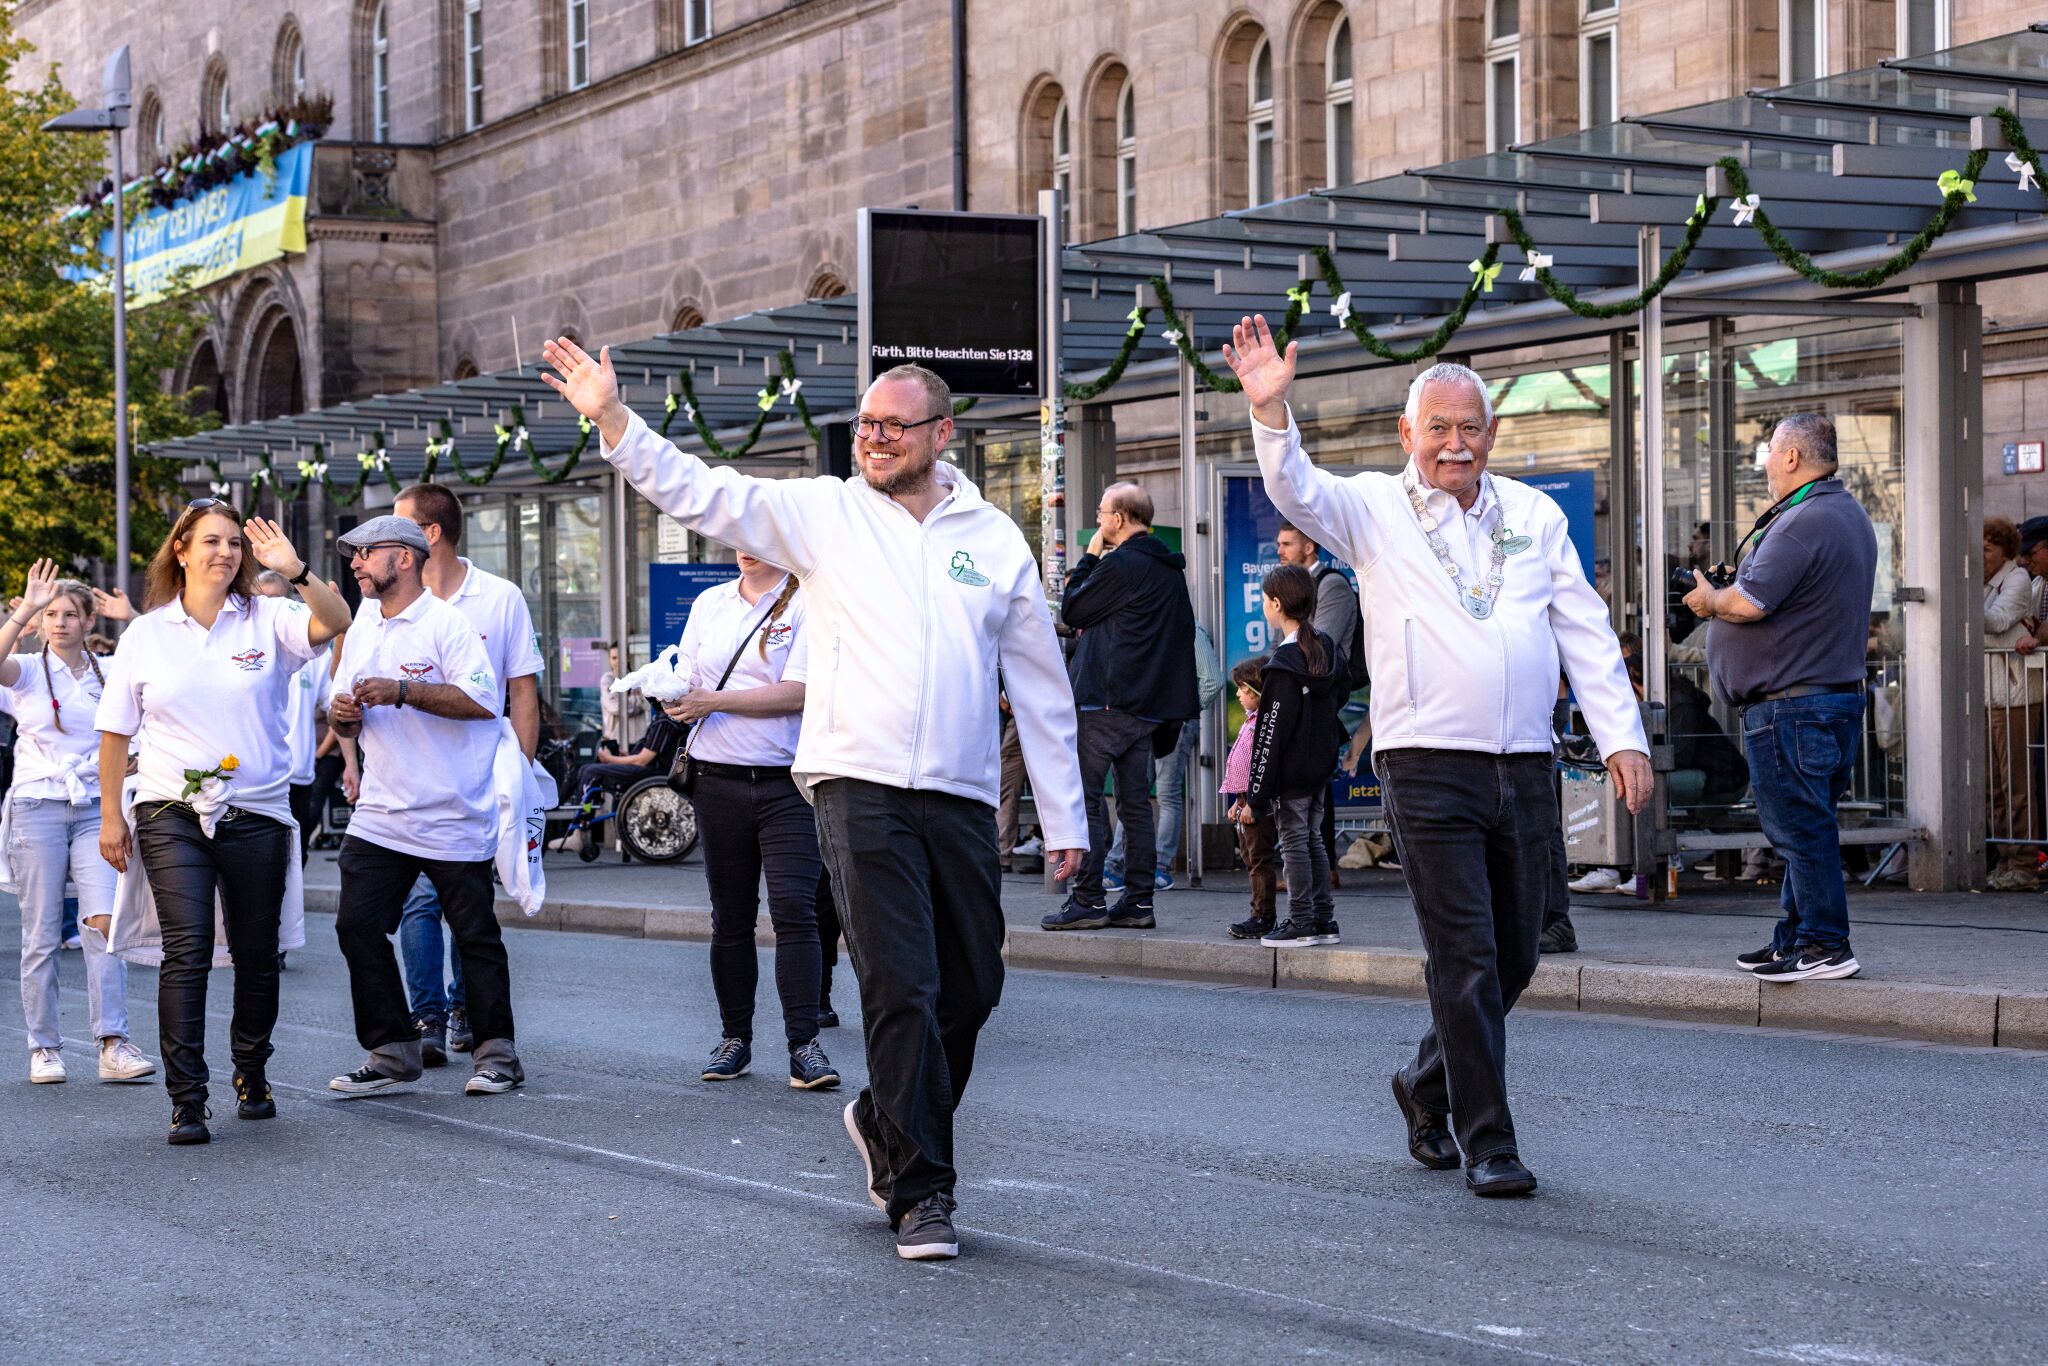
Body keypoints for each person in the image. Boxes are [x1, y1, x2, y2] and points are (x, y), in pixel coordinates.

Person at [548, 338, 1085, 1262]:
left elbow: (1040, 683)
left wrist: (1067, 816)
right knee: (901, 984)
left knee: (972, 986)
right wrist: (614, 418)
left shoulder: (994, 539)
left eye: (893, 425)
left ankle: (883, 1118)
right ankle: (922, 1192)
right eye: (866, 424)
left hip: (958, 791)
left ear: (942, 433)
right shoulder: (826, 515)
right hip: (853, 783)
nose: (873, 437)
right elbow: (704, 492)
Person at [1224, 320, 1650, 1198]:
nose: (1456, 444)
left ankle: (1424, 1082)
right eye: (1438, 428)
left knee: (1518, 951)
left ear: (1491, 433)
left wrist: (1622, 736)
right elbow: (1295, 486)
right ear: (1406, 433)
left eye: (1470, 428)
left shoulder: (1532, 514)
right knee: (1465, 955)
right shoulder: (1374, 509)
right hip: (1425, 765)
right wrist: (1270, 409)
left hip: (1523, 763)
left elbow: (1583, 627)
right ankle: (1488, 1140)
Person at [96, 504, 352, 1145]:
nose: (226, 552)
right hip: (168, 808)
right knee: (187, 950)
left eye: (235, 542)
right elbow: (115, 733)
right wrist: (109, 817)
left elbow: (338, 620)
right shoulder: (146, 634)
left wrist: (296, 570)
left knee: (256, 952)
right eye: (211, 541)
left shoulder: (270, 616)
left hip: (257, 808)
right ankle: (186, 1099)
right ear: (181, 550)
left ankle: (251, 1070)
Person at [323, 516, 524, 1097]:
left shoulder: (447, 623)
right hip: (381, 813)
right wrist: (344, 717)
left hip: (451, 811)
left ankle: (497, 1054)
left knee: (474, 936)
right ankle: (392, 1049)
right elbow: (343, 714)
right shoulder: (362, 623)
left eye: (365, 553)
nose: (356, 563)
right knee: (356, 926)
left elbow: (484, 700)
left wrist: (403, 690)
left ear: (405, 558)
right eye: (354, 554)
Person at [1684, 412, 1877, 981]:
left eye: (1769, 451)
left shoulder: (1802, 521)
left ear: (1791, 457)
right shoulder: (1843, 513)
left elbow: (1749, 604)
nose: (1765, 461)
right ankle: (1793, 939)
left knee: (1800, 829)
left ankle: (1824, 944)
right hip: (1822, 701)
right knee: (1806, 824)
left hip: (1793, 706)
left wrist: (1710, 600)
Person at [658, 550, 839, 1091]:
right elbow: (686, 676)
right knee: (730, 918)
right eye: (736, 536)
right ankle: (734, 1039)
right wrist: (670, 693)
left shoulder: (805, 601)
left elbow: (799, 692)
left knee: (795, 912)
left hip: (788, 784)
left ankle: (804, 1046)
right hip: (716, 781)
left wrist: (713, 701)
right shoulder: (710, 602)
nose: (744, 545)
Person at [385, 482, 545, 1065]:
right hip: (410, 782)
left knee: (468, 903)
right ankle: (426, 1015)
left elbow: (522, 690)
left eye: (398, 525)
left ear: (429, 534)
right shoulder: (390, 599)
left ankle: (462, 1008)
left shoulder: (499, 598)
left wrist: (521, 773)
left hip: (478, 779)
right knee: (419, 900)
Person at [1, 562, 154, 1086]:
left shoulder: (108, 670)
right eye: (51, 615)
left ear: (89, 621)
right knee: (42, 933)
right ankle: (44, 1047)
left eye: (70, 614)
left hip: (95, 806)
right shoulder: (25, 669)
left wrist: (132, 617)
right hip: (37, 805)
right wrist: (24, 608)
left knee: (104, 925)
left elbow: (162, 666)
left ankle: (113, 1042)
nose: (60, 622)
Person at [1042, 481, 1197, 932]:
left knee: (1087, 799)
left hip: (1105, 701)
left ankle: (1088, 899)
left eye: (1101, 512)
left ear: (1119, 518)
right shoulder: (1168, 570)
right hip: (1146, 708)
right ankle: (1138, 901)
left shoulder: (1121, 564)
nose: (1098, 519)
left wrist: (1090, 556)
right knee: (1135, 805)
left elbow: (1073, 608)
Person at [1244, 566, 1348, 947]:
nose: (1264, 606)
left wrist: (1255, 796)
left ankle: (1301, 920)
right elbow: (1341, 696)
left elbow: (1270, 735)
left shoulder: (1284, 664)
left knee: (1293, 844)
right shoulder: (1326, 649)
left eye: (1264, 600)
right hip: (1320, 766)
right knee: (1313, 839)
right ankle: (1323, 919)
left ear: (1276, 604)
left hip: (1292, 773)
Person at [1105, 622, 1225, 893]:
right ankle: (1132, 865)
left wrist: (1183, 710)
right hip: (1154, 718)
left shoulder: (1187, 629)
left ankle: (1148, 865)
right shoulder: (1167, 628)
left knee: (1156, 793)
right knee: (1139, 793)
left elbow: (1212, 681)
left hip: (1166, 720)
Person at [1277, 521, 1363, 884]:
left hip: (1324, 696)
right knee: (1308, 781)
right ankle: (1313, 868)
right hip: (1303, 693)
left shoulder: (1331, 585)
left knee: (1315, 782)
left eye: (1286, 543)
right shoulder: (1296, 586)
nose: (1280, 550)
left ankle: (1323, 869)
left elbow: (1322, 645)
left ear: (1309, 546)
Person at [256, 569, 334, 866]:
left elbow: (332, 704)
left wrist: (349, 765)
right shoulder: (242, 645)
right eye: (263, 600)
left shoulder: (312, 651)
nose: (271, 608)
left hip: (298, 773)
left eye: (278, 600)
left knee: (295, 859)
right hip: (258, 777)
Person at [1982, 516, 2041, 890]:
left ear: (2005, 551)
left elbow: (1999, 621)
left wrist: (1957, 601)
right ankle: (2005, 860)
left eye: (1987, 550)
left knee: (2016, 784)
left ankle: (2025, 864)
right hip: (1987, 694)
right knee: (1993, 786)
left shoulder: (2016, 579)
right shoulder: (1980, 584)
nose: (1980, 557)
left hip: (2014, 696)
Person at [1220, 657, 1279, 940]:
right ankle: (1257, 911)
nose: (1238, 694)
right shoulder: (1250, 720)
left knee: (1259, 859)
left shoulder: (1263, 725)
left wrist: (1254, 803)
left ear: (1257, 692)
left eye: (1243, 689)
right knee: (1249, 858)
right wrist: (1239, 800)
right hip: (1247, 802)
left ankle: (1263, 916)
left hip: (1257, 805)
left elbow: (1261, 767)